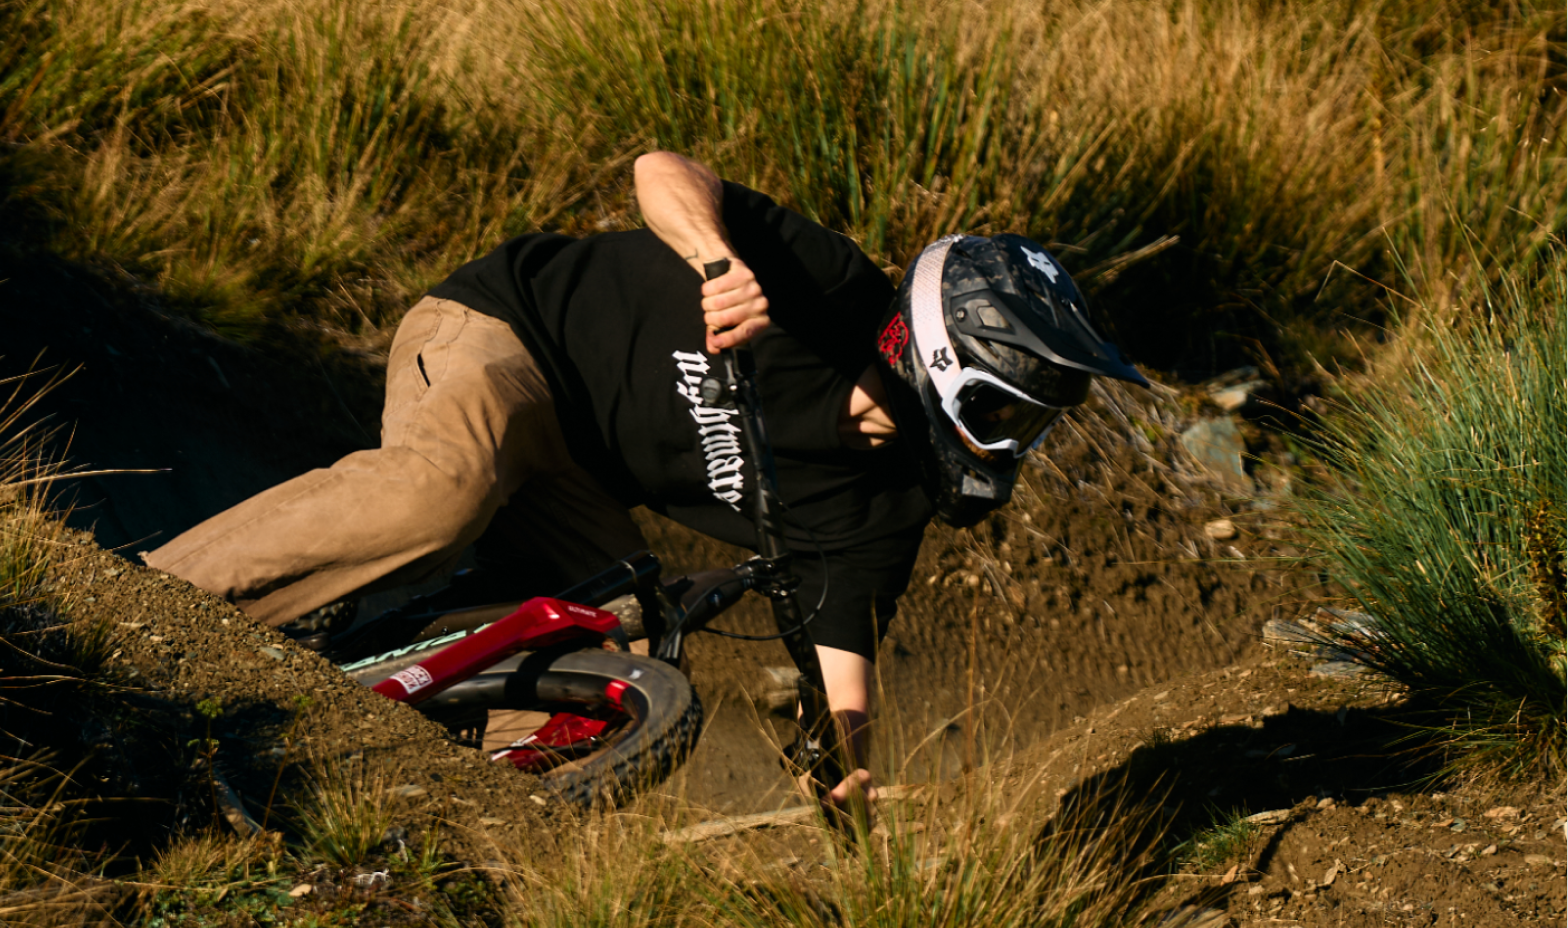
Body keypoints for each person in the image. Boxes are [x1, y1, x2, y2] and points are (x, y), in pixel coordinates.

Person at [142, 150, 1148, 810]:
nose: (1014, 438)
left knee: (613, 640)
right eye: (1007, 407)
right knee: (436, 493)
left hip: (577, 478)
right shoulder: (825, 286)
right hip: (504, 342)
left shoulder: (878, 505)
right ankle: (127, 606)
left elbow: (842, 661)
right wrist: (716, 262)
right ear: (936, 356)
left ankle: (452, 817)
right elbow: (660, 168)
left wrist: (846, 768)